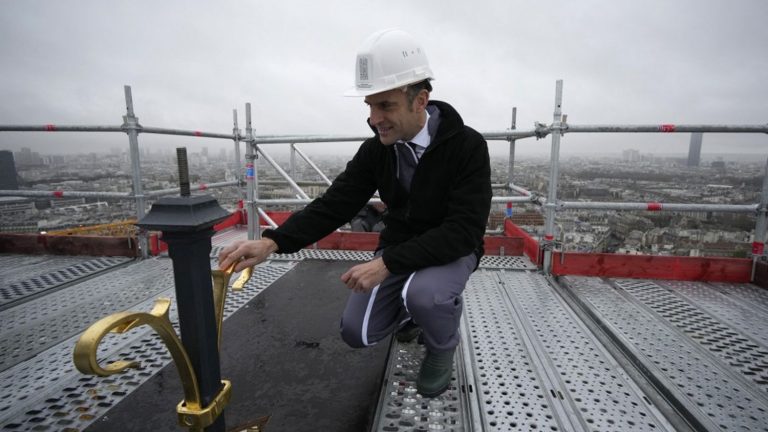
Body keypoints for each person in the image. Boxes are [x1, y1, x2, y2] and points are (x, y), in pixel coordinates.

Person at [218, 28, 492, 398]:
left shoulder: (467, 146)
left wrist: (387, 263)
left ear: (420, 100)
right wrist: (272, 242)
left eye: (385, 106)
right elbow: (336, 203)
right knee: (357, 332)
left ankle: (442, 345)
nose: (373, 118)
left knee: (426, 294)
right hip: (401, 248)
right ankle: (413, 315)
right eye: (370, 106)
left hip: (451, 250)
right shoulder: (377, 150)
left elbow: (463, 231)